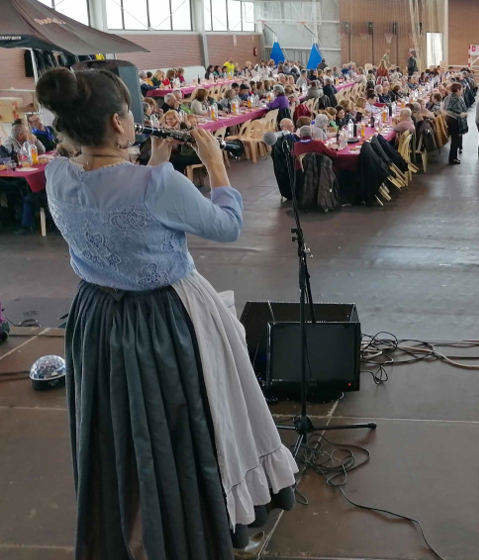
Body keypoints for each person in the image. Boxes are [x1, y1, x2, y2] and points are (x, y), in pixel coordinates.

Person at [35, 66, 297, 558]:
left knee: (118, 428)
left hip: (96, 319)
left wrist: (154, 161)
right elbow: (226, 227)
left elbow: (110, 200)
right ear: (119, 122)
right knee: (184, 426)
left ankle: (127, 523)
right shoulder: (157, 186)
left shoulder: (56, 175)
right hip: (165, 321)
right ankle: (190, 528)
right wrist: (217, 166)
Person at [443, 82, 468, 165]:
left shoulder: (448, 97)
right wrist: (461, 115)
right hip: (454, 121)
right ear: (457, 90)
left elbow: (445, 109)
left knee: (455, 140)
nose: (462, 91)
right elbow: (450, 110)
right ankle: (452, 159)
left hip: (449, 119)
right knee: (455, 141)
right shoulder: (456, 98)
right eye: (461, 89)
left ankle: (453, 157)